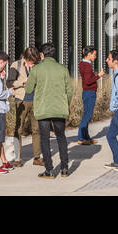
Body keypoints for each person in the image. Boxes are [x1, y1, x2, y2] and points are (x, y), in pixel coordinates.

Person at [20, 42, 74, 178]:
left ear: (42, 55)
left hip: (43, 108)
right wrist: (64, 103)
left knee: (45, 139)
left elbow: (28, 89)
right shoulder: (62, 69)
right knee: (61, 137)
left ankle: (49, 170)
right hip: (59, 108)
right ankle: (65, 168)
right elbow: (69, 91)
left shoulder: (36, 70)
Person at [6, 47, 40, 167]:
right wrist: (23, 82)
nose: (32, 63)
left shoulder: (38, 65)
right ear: (25, 58)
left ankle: (37, 157)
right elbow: (9, 82)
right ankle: (17, 159)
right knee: (18, 129)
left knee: (36, 129)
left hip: (36, 100)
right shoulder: (16, 65)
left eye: (34, 60)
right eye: (31, 60)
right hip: (21, 100)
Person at [76, 45, 100, 145]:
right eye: (94, 55)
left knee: (87, 115)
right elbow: (88, 81)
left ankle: (86, 137)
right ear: (89, 54)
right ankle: (81, 138)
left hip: (87, 92)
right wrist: (99, 75)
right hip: (89, 92)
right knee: (87, 115)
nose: (95, 57)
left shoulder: (84, 64)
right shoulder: (87, 65)